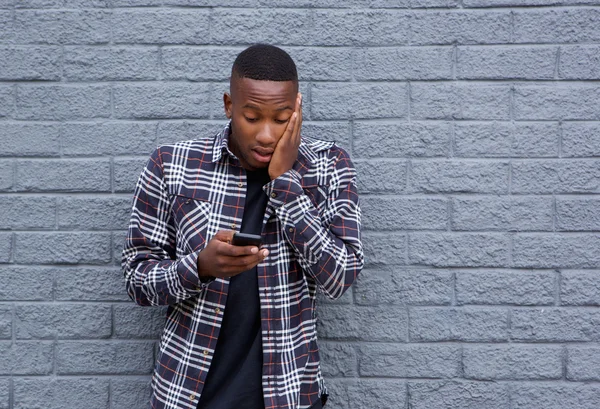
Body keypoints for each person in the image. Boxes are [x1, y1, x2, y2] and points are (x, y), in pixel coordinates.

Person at [122, 44, 363, 409]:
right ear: (229, 106)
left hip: (289, 394)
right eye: (252, 117)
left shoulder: (328, 166)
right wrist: (200, 267)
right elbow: (137, 282)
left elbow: (340, 277)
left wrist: (285, 183)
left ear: (298, 108)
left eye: (281, 119)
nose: (266, 135)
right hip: (189, 395)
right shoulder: (172, 165)